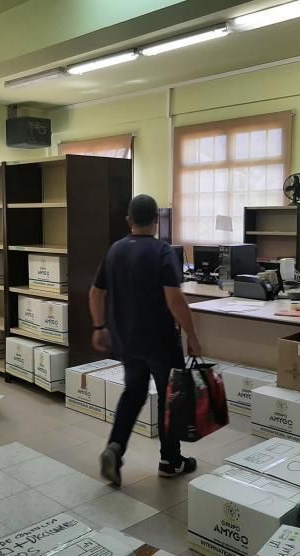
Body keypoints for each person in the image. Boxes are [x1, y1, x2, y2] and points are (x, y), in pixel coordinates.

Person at [89, 193, 202, 486]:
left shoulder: (114, 250)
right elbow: (175, 300)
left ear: (129, 220)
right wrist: (192, 335)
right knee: (171, 399)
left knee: (134, 393)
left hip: (127, 340)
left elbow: (95, 292)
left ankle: (115, 448)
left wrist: (99, 326)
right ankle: (170, 461)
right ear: (156, 220)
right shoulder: (162, 252)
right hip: (161, 341)